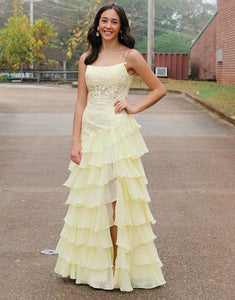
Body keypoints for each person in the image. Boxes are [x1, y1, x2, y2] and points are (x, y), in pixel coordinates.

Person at [54, 2, 166, 292]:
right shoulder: (86, 59)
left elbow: (159, 89)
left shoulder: (131, 56)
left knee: (116, 202)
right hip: (91, 135)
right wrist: (75, 140)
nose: (108, 26)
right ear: (97, 24)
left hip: (117, 135)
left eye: (114, 21)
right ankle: (91, 266)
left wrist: (134, 107)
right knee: (91, 200)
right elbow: (81, 101)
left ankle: (118, 269)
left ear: (121, 26)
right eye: (104, 20)